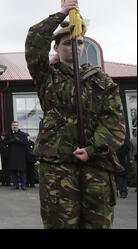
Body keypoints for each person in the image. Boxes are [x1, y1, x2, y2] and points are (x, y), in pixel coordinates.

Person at [25, 0, 126, 228]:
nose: (75, 47)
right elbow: (33, 42)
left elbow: (115, 123)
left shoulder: (102, 81)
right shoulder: (46, 76)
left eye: (79, 43)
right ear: (56, 48)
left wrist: (93, 150)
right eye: (69, 43)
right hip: (58, 166)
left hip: (96, 166)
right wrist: (61, 15)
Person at [5, 121, 28, 190]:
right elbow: (4, 142)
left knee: (22, 171)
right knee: (13, 170)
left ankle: (23, 185)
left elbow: (26, 143)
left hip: (21, 156)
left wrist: (20, 141)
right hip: (12, 155)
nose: (14, 126)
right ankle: (16, 185)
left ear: (18, 126)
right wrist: (10, 141)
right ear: (11, 126)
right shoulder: (8, 134)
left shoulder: (23, 134)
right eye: (13, 125)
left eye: (16, 125)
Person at [115, 134, 131, 198]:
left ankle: (123, 191)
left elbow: (127, 145)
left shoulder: (123, 131)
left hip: (122, 157)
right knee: (113, 174)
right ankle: (115, 191)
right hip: (112, 156)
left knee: (123, 175)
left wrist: (122, 154)